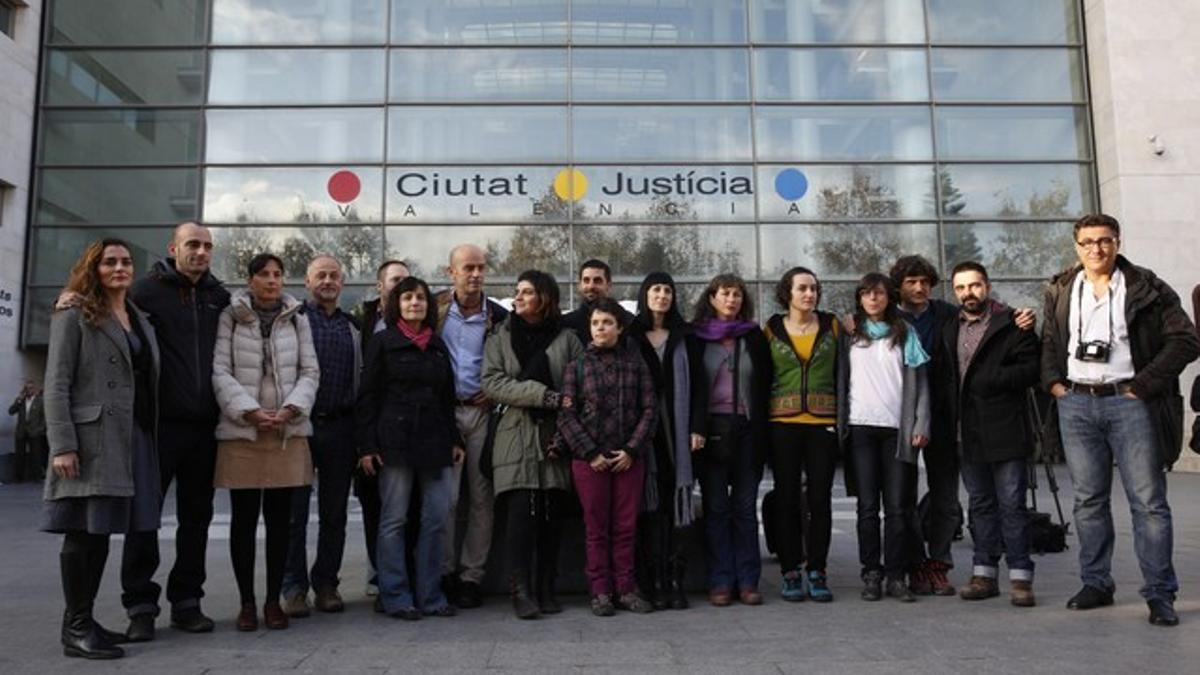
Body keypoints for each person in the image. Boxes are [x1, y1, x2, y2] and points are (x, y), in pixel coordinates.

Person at [1041, 213, 1199, 627]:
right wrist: (1054, 383)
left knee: (1148, 503)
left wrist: (1143, 386)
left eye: (1105, 240)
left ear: (1118, 242)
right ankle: (1096, 582)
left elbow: (1185, 340)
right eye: (1088, 241)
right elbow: (1051, 341)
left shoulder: (1147, 286)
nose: (1097, 248)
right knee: (1087, 500)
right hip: (1075, 403)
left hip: (1129, 402)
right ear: (1076, 245)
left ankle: (1160, 593)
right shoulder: (1061, 287)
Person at [110, 222, 231, 641]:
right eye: (192, 245)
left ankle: (187, 602)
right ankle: (140, 606)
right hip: (157, 427)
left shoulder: (220, 297)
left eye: (207, 247)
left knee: (196, 519)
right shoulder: (144, 292)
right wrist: (67, 299)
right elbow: (100, 305)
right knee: (143, 517)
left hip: (205, 429)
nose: (200, 252)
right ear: (173, 248)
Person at [889, 255, 1035, 596]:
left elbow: (995, 327)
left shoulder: (945, 314)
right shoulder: (889, 317)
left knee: (949, 498)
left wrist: (1022, 315)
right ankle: (915, 565)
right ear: (899, 286)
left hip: (950, 419)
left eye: (925, 281)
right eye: (911, 282)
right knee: (904, 500)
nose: (919, 287)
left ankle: (941, 565)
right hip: (900, 417)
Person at [42, 239, 160, 659]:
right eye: (109, 262)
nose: (119, 268)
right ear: (93, 268)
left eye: (126, 261)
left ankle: (84, 620)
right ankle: (75, 627)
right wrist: (63, 445)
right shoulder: (74, 314)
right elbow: (55, 383)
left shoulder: (138, 318)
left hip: (131, 437)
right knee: (82, 534)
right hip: (91, 440)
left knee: (102, 532)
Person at [212, 253, 319, 631]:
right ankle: (246, 603)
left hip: (286, 433)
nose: (272, 281)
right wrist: (249, 410)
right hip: (243, 430)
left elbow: (310, 371)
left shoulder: (298, 318)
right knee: (243, 521)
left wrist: (291, 409)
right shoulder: (230, 316)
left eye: (277, 274)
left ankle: (274, 601)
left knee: (280, 523)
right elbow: (220, 370)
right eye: (264, 275)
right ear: (251, 279)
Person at [358, 276, 465, 619]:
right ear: (396, 305)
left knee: (436, 517)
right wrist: (367, 445)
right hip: (396, 442)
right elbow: (369, 396)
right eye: (407, 298)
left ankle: (431, 595)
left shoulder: (436, 345)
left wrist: (455, 439)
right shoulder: (383, 342)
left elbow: (446, 398)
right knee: (394, 519)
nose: (415, 303)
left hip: (435, 441)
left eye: (420, 298)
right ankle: (396, 596)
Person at [935, 262, 1039, 607]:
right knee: (980, 505)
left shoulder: (1013, 323)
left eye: (975, 285)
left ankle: (1021, 577)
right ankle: (984, 574)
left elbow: (1031, 370)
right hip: (966, 433)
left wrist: (992, 379)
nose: (969, 293)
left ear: (987, 286)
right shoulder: (949, 327)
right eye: (962, 288)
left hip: (1005, 429)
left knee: (1012, 505)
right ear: (954, 292)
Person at [481, 270, 583, 619]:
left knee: (552, 513)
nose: (518, 297)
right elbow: (493, 382)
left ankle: (546, 586)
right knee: (520, 513)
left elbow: (579, 381)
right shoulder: (500, 335)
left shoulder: (567, 338)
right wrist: (544, 396)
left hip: (556, 434)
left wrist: (560, 402)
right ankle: (520, 589)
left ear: (545, 297)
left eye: (527, 292)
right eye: (517, 291)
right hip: (514, 433)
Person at [557, 297, 658, 616]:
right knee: (596, 527)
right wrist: (589, 453)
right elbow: (566, 415)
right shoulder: (577, 366)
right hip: (590, 461)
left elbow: (649, 409)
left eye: (607, 323)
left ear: (620, 327)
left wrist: (631, 449)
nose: (600, 328)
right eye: (595, 323)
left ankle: (626, 588)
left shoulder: (636, 363)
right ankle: (600, 591)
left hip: (628, 458)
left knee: (625, 526)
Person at [838, 272, 930, 603]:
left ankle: (896, 574)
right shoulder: (849, 333)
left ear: (889, 297)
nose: (873, 299)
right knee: (866, 507)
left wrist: (921, 424)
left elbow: (920, 385)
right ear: (859, 298)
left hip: (897, 429)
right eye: (866, 294)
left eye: (879, 293)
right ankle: (871, 573)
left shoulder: (905, 332)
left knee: (897, 507)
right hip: (860, 428)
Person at [282, 255, 361, 617]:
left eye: (334, 275)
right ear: (308, 282)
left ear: (342, 283)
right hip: (300, 426)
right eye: (321, 276)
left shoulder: (352, 327)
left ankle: (327, 583)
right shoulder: (292, 321)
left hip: (342, 427)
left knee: (334, 514)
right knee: (294, 513)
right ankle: (293, 588)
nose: (328, 281)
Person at [434, 244, 508, 609]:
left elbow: (510, 365)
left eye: (481, 267)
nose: (476, 274)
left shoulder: (498, 316)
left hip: (482, 414)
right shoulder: (434, 311)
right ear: (452, 272)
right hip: (444, 416)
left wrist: (493, 392)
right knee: (446, 500)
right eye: (468, 268)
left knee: (482, 500)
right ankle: (444, 571)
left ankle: (470, 577)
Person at [627, 272, 706, 610]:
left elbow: (701, 384)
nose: (662, 295)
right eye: (656, 289)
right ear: (645, 294)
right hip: (643, 433)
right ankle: (652, 580)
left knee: (676, 505)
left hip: (678, 431)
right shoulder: (630, 335)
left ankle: (675, 580)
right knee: (649, 509)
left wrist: (698, 427)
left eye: (668, 290)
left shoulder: (686, 335)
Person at [691, 273, 771, 607]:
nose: (732, 300)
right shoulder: (695, 337)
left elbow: (766, 383)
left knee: (744, 507)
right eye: (725, 293)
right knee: (716, 509)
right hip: (710, 430)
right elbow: (691, 387)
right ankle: (720, 579)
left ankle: (749, 580)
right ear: (711, 298)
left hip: (747, 428)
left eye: (737, 294)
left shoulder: (753, 336)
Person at [764, 267, 840, 602]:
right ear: (788, 293)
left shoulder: (834, 325)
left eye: (813, 289)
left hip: (823, 422)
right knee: (786, 498)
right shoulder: (772, 328)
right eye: (802, 289)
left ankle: (818, 569)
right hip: (782, 423)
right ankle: (791, 569)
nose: (809, 294)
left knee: (820, 500)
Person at [354, 259, 409, 598]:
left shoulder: (420, 325)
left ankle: (399, 575)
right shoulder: (362, 323)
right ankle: (380, 575)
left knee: (403, 509)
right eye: (394, 280)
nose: (401, 286)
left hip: (406, 432)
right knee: (374, 503)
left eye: (406, 280)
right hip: (368, 425)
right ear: (380, 286)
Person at [561, 259, 634, 345]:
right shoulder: (567, 324)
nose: (591, 286)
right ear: (579, 286)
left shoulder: (628, 322)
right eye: (586, 280)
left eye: (597, 281)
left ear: (608, 285)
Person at [9, 378, 47, 482]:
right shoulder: (20, 400)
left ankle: (37, 477)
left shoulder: (40, 401)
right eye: (26, 388)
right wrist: (20, 399)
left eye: (30, 388)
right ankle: (18, 478)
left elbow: (44, 417)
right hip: (21, 431)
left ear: (34, 389)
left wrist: (40, 429)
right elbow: (11, 411)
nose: (28, 390)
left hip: (35, 432)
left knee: (36, 455)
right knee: (19, 455)